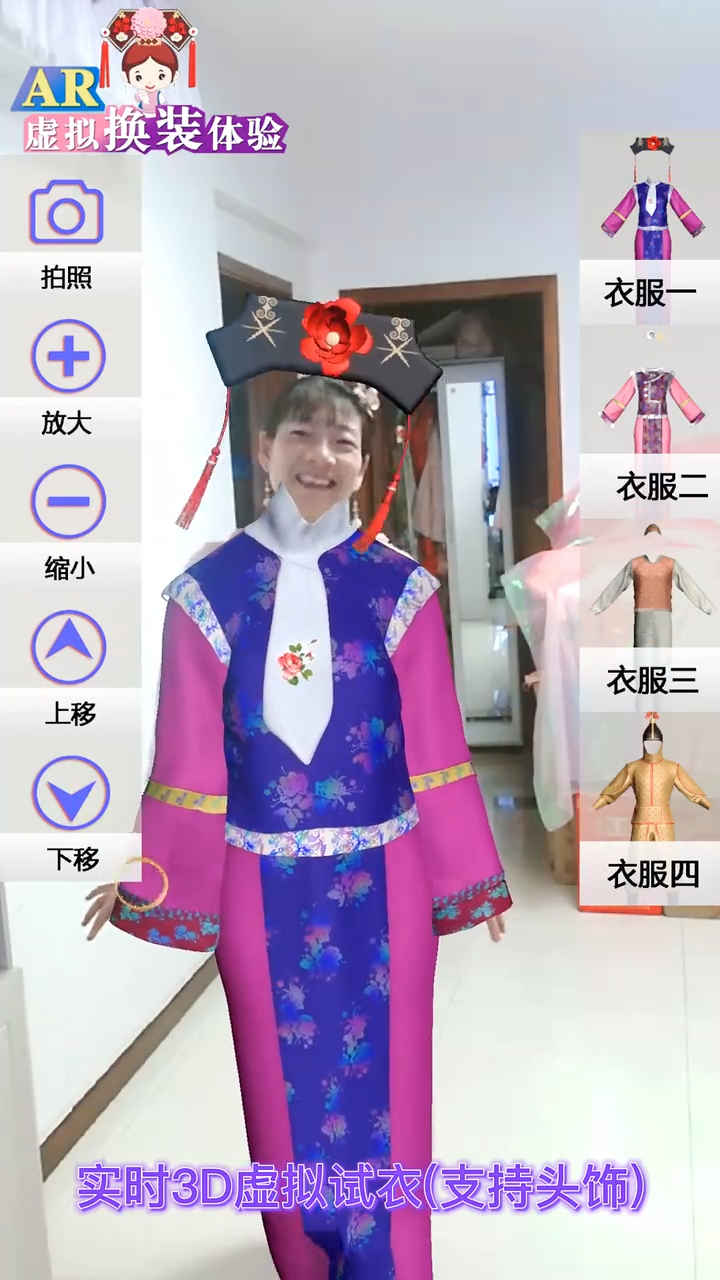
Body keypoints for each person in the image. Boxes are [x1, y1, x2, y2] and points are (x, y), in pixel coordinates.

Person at [83, 296, 512, 1280]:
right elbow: (187, 761)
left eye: (344, 440)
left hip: (385, 873)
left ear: (369, 461)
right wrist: (145, 876)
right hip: (256, 879)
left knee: (391, 1085)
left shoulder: (402, 588)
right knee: (280, 1087)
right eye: (303, 434)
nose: (322, 456)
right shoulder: (207, 591)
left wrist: (470, 875)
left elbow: (436, 748)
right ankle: (303, 1257)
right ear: (265, 448)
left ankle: (391, 1259)